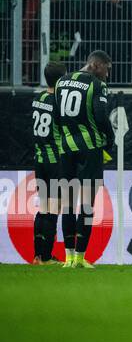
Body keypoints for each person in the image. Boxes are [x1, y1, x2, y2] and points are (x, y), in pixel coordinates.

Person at [54, 51, 114, 270]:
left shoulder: (61, 82)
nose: (107, 74)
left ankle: (68, 258)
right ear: (96, 65)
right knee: (87, 204)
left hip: (66, 149)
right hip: (90, 150)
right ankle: (80, 258)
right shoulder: (97, 86)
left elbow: (57, 116)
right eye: (107, 68)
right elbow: (100, 114)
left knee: (68, 203)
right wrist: (110, 139)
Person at [30, 63, 65, 265]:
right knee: (54, 208)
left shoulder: (38, 98)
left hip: (40, 160)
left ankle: (37, 255)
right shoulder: (58, 102)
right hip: (55, 162)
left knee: (43, 208)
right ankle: (45, 256)